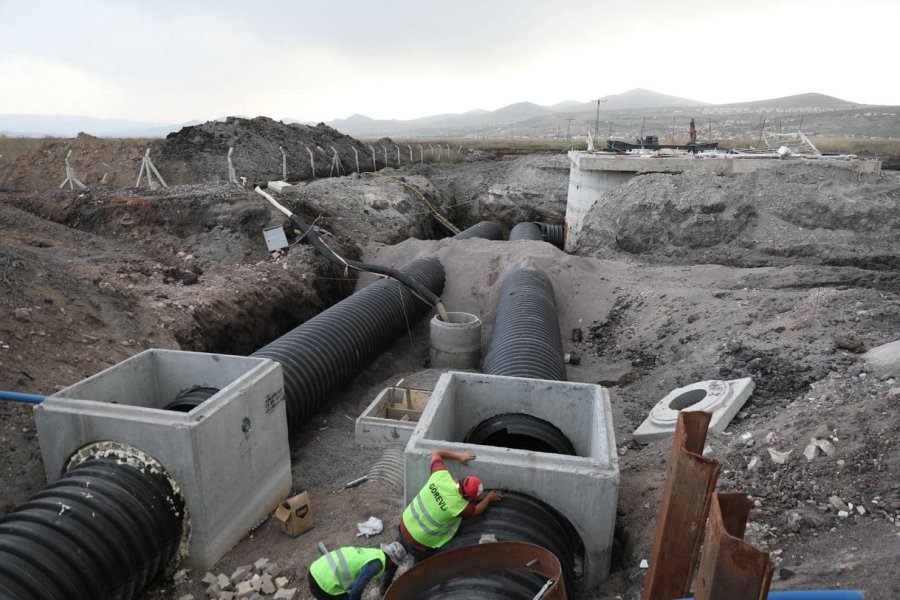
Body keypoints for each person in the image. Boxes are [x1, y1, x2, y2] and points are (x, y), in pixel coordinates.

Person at [380, 448, 502, 593]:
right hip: (420, 542)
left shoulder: (440, 476)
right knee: (422, 568)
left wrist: (459, 456)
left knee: (395, 554)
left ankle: (384, 589)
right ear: (469, 498)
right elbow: (476, 510)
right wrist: (489, 498)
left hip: (406, 523)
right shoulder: (460, 507)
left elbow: (436, 453)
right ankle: (417, 592)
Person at [307, 542, 406, 600]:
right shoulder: (376, 564)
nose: (393, 567)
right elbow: (357, 589)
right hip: (321, 584)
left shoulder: (375, 553)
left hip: (316, 568)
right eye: (394, 564)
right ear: (391, 560)